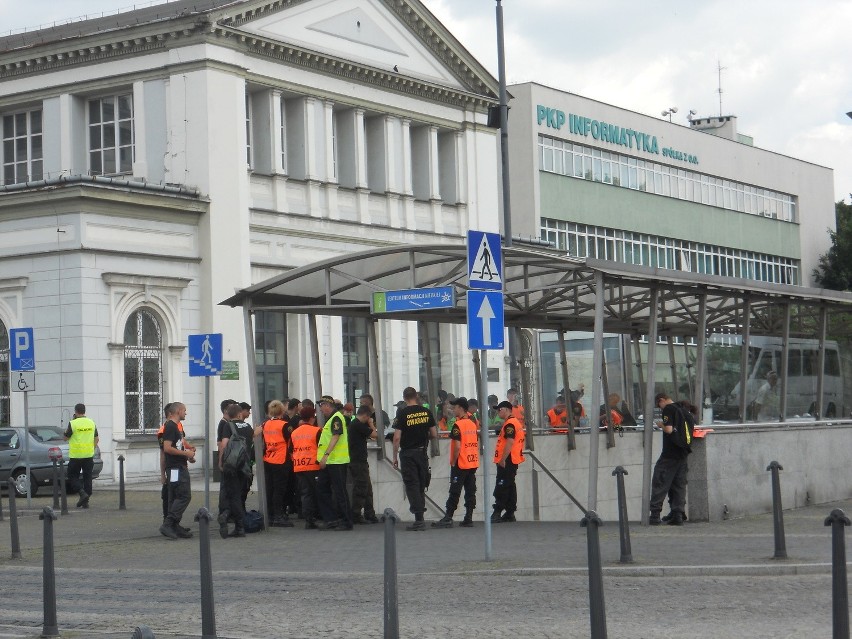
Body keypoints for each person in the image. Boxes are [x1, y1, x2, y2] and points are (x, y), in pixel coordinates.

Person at [393, 386, 438, 531]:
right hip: (421, 453)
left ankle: (419, 520)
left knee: (411, 485)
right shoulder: (426, 412)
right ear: (416, 397)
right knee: (420, 484)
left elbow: (397, 437)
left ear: (405, 398)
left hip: (408, 454)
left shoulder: (402, 413)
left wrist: (394, 456)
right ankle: (421, 518)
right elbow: (434, 434)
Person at [433, 397, 478, 529]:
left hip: (461, 463)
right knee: (470, 491)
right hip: (472, 462)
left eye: (455, 407)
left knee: (455, 490)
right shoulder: (472, 423)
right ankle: (468, 517)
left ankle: (448, 517)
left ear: (461, 408)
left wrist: (453, 461)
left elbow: (457, 446)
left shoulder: (458, 425)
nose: (453, 409)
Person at [649, 392, 692, 526]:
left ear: (661, 400)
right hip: (683, 452)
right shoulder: (684, 410)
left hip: (670, 453)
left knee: (660, 480)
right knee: (678, 485)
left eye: (659, 405)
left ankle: (655, 515)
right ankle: (677, 515)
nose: (660, 408)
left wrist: (660, 424)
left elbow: (668, 429)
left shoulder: (669, 409)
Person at [216, 403, 254, 539]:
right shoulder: (248, 427)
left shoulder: (228, 425)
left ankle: (229, 518)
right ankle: (237, 524)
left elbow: (224, 445)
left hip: (231, 465)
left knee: (232, 495)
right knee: (239, 494)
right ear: (239, 414)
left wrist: (220, 462)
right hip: (244, 466)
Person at [316, 395, 353, 530]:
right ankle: (331, 519)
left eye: (321, 406)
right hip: (330, 462)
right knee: (322, 489)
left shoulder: (336, 417)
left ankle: (346, 521)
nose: (320, 409)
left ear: (327, 405)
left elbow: (335, 436)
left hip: (336, 461)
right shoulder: (331, 418)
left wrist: (326, 455)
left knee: (340, 492)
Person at [157, 403, 195, 533]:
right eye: (184, 410)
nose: (186, 413)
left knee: (175, 496)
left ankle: (174, 525)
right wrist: (186, 454)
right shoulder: (169, 427)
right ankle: (168, 523)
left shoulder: (177, 428)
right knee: (184, 496)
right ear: (178, 411)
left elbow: (179, 446)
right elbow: (166, 449)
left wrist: (189, 454)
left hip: (178, 466)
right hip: (175, 468)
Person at [491, 400, 526, 523]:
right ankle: (510, 512)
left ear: (506, 410)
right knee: (510, 485)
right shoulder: (513, 422)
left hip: (508, 460)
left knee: (502, 485)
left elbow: (510, 442)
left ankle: (498, 511)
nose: (498, 412)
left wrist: (503, 459)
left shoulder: (510, 424)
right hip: (512, 459)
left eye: (499, 410)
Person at [262, 400, 294, 527]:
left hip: (268, 458)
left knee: (270, 488)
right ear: (282, 411)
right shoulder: (285, 425)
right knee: (279, 489)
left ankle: (270, 515)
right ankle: (278, 515)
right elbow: (290, 440)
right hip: (281, 459)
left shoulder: (265, 424)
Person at [291, 405, 322, 529]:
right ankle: (314, 517)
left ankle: (308, 519)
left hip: (299, 465)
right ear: (312, 418)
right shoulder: (317, 431)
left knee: (305, 493)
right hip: (313, 465)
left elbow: (291, 450)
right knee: (315, 492)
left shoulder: (294, 432)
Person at [64, 403, 99, 508]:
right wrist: (91, 448)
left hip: (76, 455)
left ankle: (82, 493)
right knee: (87, 477)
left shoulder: (73, 423)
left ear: (75, 411)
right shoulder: (91, 423)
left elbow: (65, 437)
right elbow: (97, 439)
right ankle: (86, 501)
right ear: (84, 411)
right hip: (88, 455)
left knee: (72, 475)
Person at [348, 405, 378, 524]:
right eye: (368, 417)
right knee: (361, 488)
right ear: (365, 415)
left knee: (367, 488)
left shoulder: (355, 424)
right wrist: (371, 424)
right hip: (357, 462)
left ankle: (369, 513)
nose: (369, 419)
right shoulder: (357, 425)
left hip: (359, 461)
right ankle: (356, 514)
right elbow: (375, 435)